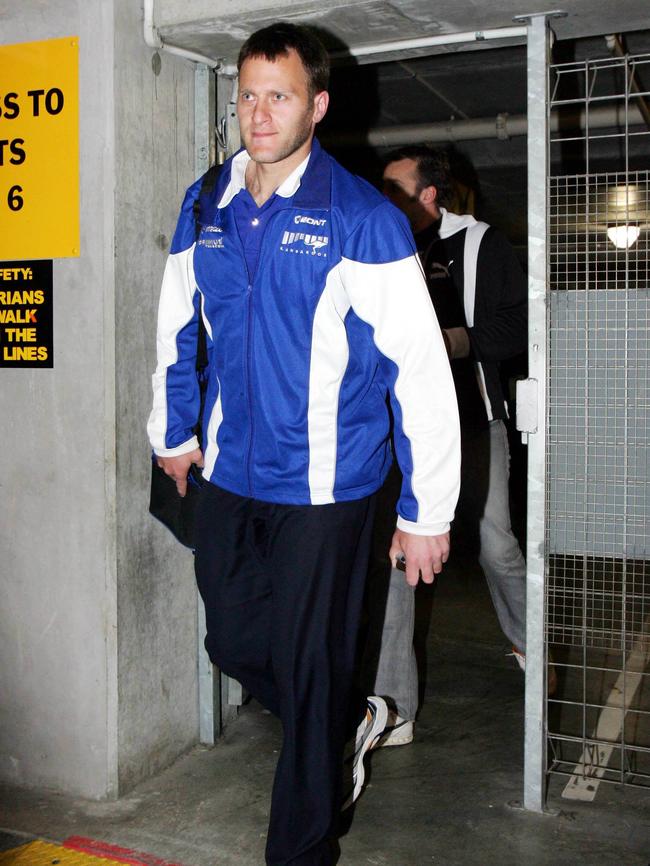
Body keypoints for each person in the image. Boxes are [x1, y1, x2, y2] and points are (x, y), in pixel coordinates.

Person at [147, 26, 460, 866]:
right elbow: (178, 327)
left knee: (312, 669)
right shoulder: (203, 203)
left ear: (316, 106)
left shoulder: (360, 216)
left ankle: (303, 847)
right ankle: (349, 720)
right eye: (248, 94)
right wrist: (172, 433)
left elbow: (419, 372)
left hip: (331, 489)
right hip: (233, 474)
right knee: (235, 643)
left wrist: (427, 509)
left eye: (278, 95)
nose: (258, 111)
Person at [366, 145, 530, 747]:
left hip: (472, 420)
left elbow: (515, 327)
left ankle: (529, 648)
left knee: (495, 545)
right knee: (398, 559)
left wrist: (446, 343)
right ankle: (394, 708)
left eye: (396, 186)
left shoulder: (480, 243)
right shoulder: (380, 244)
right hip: (401, 430)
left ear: (428, 194)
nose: (384, 196)